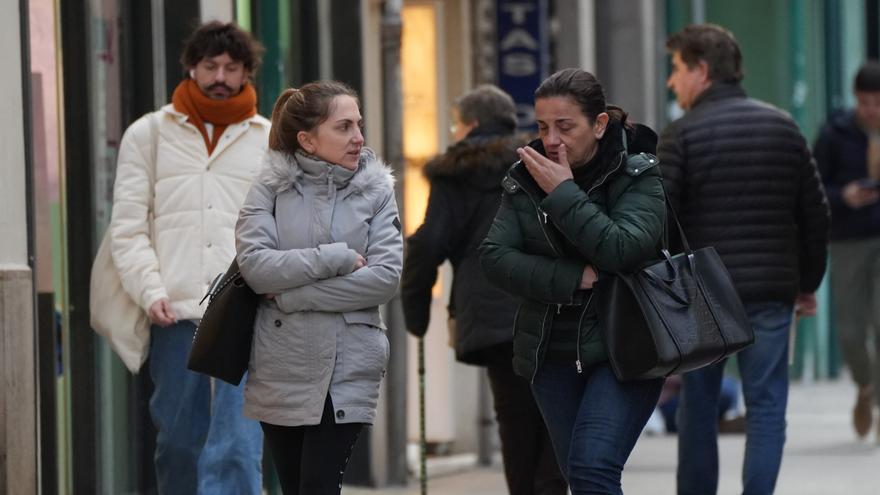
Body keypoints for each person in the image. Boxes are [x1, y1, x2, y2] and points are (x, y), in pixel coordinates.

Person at [658, 24, 830, 495]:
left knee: (698, 405)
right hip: (770, 291)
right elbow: (815, 215)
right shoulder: (783, 127)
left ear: (702, 71)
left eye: (677, 69)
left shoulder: (680, 135)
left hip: (702, 294)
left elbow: (659, 220)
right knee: (767, 406)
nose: (672, 81)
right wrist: (807, 283)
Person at [480, 68, 667, 494]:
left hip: (625, 347)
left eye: (565, 127)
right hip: (552, 353)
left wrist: (564, 193)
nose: (552, 140)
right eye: (543, 127)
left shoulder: (637, 174)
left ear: (599, 125)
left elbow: (622, 249)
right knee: (579, 477)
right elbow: (494, 257)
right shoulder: (525, 177)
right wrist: (572, 277)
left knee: (592, 467)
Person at [109, 21, 268, 494]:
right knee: (180, 443)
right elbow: (128, 228)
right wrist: (150, 290)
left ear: (246, 72)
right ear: (191, 67)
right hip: (174, 312)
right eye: (210, 66)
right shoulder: (149, 135)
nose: (220, 77)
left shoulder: (268, 139)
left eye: (231, 68)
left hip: (246, 312)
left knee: (239, 447)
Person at [235, 81, 403, 495]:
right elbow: (256, 268)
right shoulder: (270, 186)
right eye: (344, 127)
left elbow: (384, 278)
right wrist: (336, 259)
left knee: (317, 486)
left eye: (359, 124)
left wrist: (292, 296)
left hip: (349, 365)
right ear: (307, 140)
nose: (358, 137)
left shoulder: (377, 189)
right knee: (294, 486)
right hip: (282, 362)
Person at [401, 85, 566, 495]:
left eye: (456, 125)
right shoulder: (538, 163)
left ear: (471, 124)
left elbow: (429, 243)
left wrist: (416, 310)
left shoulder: (456, 173)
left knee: (513, 415)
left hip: (492, 314)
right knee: (555, 409)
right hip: (548, 302)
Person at [813, 61, 880, 441]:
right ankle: (865, 386)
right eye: (865, 102)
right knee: (852, 330)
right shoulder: (835, 133)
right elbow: (813, 186)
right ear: (856, 99)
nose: (872, 110)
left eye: (878, 103)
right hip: (848, 240)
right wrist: (844, 196)